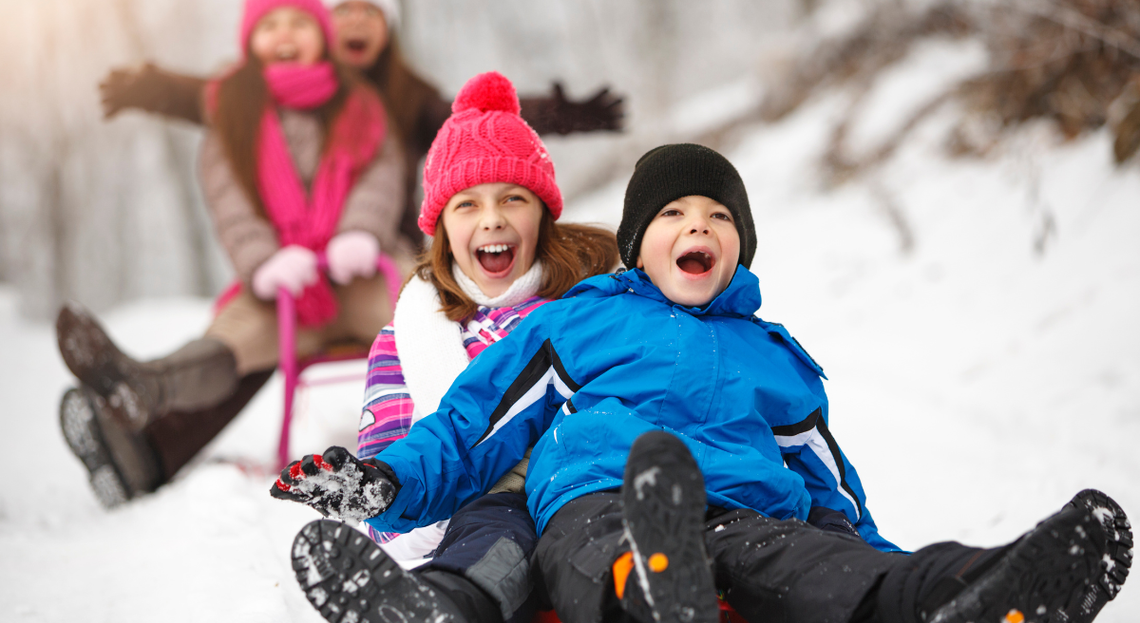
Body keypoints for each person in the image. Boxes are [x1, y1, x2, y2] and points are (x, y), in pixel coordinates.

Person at [270, 143, 1133, 623]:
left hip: (746, 513)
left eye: (720, 217)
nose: (699, 226)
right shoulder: (580, 319)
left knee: (822, 567)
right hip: (599, 498)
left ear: (739, 248)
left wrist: (873, 557)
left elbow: (829, 488)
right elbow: (473, 420)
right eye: (675, 214)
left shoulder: (774, 354)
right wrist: (383, 481)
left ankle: (975, 591)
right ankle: (648, 588)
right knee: (596, 546)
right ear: (637, 242)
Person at [274, 69, 618, 623]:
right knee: (496, 535)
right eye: (467, 205)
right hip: (470, 512)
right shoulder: (405, 339)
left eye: (513, 198)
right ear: (440, 226)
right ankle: (430, 608)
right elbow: (390, 443)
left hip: (583, 494)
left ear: (542, 215)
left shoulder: (587, 310)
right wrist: (371, 486)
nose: (492, 219)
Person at [59, 0, 408, 508]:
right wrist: (263, 260)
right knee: (232, 339)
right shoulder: (234, 111)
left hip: (358, 270)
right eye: (270, 26)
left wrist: (361, 229)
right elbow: (230, 197)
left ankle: (479, 416)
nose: (284, 34)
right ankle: (142, 387)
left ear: (322, 34)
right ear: (250, 41)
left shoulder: (358, 104)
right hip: (285, 285)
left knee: (421, 313)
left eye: (299, 23)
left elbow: (382, 171)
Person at [97, 0, 625, 249]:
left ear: (386, 28)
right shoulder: (291, 91)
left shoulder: (405, 97)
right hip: (297, 249)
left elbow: (471, 114)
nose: (356, 21)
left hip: (383, 243)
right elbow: (216, 98)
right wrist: (154, 87)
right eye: (342, 9)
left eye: (369, 11)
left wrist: (555, 113)